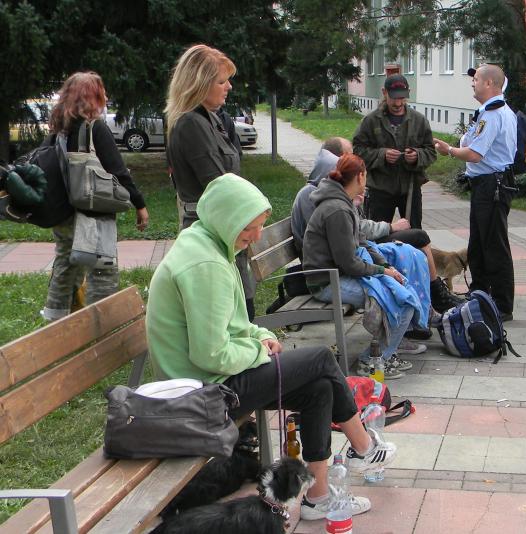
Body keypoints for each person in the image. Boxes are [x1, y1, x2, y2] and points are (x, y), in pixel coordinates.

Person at [146, 173, 397, 521]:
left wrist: (256, 335)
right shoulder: (205, 265)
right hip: (204, 392)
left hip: (211, 380)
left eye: (261, 225)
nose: (258, 235)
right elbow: (210, 354)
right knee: (322, 359)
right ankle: (363, 446)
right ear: (227, 217)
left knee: (320, 387)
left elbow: (232, 322)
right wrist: (259, 352)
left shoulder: (208, 243)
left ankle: (318, 497)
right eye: (251, 226)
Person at [291, 138, 463, 313]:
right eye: (350, 155)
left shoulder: (338, 196)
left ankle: (428, 307)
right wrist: (389, 231)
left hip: (345, 260)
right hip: (331, 273)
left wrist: (385, 268)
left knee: (409, 259)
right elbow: (343, 247)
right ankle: (424, 310)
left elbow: (356, 236)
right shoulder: (327, 201)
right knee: (399, 284)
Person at [302, 154, 430, 379]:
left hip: (341, 274)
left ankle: (384, 354)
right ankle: (370, 362)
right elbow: (349, 263)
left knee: (401, 290)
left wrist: (387, 266)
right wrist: (382, 273)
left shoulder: (344, 203)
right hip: (327, 281)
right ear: (360, 176)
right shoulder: (337, 209)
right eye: (366, 175)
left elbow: (363, 242)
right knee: (402, 301)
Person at [39, 72, 149, 321]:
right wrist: (139, 204)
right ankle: (99, 326)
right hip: (92, 213)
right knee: (102, 269)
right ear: (92, 97)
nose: (107, 97)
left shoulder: (59, 129)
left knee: (65, 264)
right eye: (102, 93)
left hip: (62, 213)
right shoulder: (94, 128)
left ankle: (56, 322)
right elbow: (117, 169)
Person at [164, 44, 258, 318]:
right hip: (212, 236)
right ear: (199, 84)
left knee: (241, 314)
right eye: (221, 81)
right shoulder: (192, 124)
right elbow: (218, 187)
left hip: (224, 233)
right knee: (230, 318)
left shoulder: (209, 120)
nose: (228, 86)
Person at [433, 64, 517, 321]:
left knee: (494, 246)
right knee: (479, 245)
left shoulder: (494, 114)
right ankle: (480, 294)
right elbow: (469, 141)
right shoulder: (486, 112)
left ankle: (502, 304)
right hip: (485, 185)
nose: (472, 82)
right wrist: (458, 146)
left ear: (490, 84)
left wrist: (448, 151)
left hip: (493, 185)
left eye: (477, 78)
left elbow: (474, 153)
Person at [353, 74, 436, 229]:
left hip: (410, 188)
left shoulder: (419, 120)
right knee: (377, 235)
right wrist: (382, 154)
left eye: (402, 98)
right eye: (394, 98)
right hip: (380, 189)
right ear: (384, 92)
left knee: (414, 235)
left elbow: (431, 152)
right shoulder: (370, 121)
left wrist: (417, 156)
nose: (398, 103)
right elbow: (357, 151)